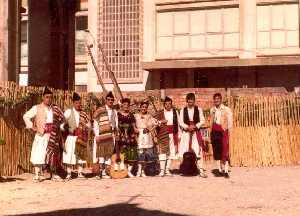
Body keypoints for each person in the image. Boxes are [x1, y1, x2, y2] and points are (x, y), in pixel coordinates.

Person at [23, 87, 65, 182]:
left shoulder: (56, 108)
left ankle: (53, 174)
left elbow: (63, 120)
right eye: (47, 97)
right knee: (38, 154)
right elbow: (26, 116)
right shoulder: (37, 108)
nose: (49, 99)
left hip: (53, 136)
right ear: (43, 97)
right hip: (41, 135)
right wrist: (32, 127)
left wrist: (60, 128)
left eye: (50, 97)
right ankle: (37, 175)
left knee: (53, 155)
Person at [62, 92, 91, 180]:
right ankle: (69, 173)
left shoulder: (84, 114)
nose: (79, 105)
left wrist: (85, 125)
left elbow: (89, 125)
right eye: (77, 103)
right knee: (70, 155)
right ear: (73, 103)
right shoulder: (68, 112)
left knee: (80, 156)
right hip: (71, 137)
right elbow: (62, 123)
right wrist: (64, 127)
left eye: (79, 103)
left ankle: (80, 173)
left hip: (81, 137)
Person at [179, 93, 207, 178]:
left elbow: (202, 120)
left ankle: (201, 170)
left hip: (195, 133)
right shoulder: (182, 110)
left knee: (197, 150)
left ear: (194, 101)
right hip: (186, 133)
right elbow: (180, 122)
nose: (190, 104)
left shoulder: (198, 109)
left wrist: (195, 126)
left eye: (192, 102)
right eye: (189, 102)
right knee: (184, 150)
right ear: (187, 101)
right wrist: (187, 127)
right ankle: (185, 169)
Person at [93, 91, 118, 179]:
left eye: (112, 100)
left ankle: (105, 172)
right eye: (108, 99)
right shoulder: (100, 110)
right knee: (101, 153)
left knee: (108, 153)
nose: (110, 101)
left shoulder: (115, 111)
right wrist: (96, 135)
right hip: (101, 134)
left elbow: (116, 124)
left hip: (111, 135)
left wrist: (116, 133)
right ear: (106, 100)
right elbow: (96, 123)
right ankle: (100, 172)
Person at [156, 96, 180, 177]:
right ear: (164, 105)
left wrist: (179, 135)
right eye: (166, 104)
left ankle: (167, 169)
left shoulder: (175, 112)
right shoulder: (160, 113)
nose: (168, 105)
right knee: (163, 152)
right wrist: (161, 121)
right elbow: (155, 123)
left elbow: (178, 124)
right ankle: (162, 170)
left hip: (173, 134)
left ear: (171, 104)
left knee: (171, 152)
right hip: (163, 134)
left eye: (169, 104)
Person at [210, 93, 233, 178]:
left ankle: (226, 171)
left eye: (218, 99)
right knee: (217, 150)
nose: (216, 100)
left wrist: (228, 131)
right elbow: (211, 121)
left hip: (223, 131)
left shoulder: (226, 109)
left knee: (225, 150)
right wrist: (211, 132)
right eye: (215, 99)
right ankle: (219, 170)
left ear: (221, 99)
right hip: (215, 131)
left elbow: (230, 122)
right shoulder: (212, 109)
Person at [134, 101, 160, 177]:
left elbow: (157, 123)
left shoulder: (149, 116)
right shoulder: (136, 116)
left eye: (145, 107)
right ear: (140, 107)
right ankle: (139, 171)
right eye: (142, 107)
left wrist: (150, 129)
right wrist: (135, 129)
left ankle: (143, 171)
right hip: (139, 135)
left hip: (147, 135)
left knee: (146, 154)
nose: (144, 108)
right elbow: (132, 124)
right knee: (140, 153)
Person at [117, 98, 138, 178]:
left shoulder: (131, 115)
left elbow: (134, 126)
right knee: (123, 155)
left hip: (130, 137)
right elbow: (117, 125)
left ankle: (128, 171)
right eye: (124, 105)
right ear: (122, 105)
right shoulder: (118, 115)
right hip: (122, 137)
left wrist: (137, 131)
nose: (126, 106)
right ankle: (125, 171)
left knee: (131, 155)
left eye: (127, 105)